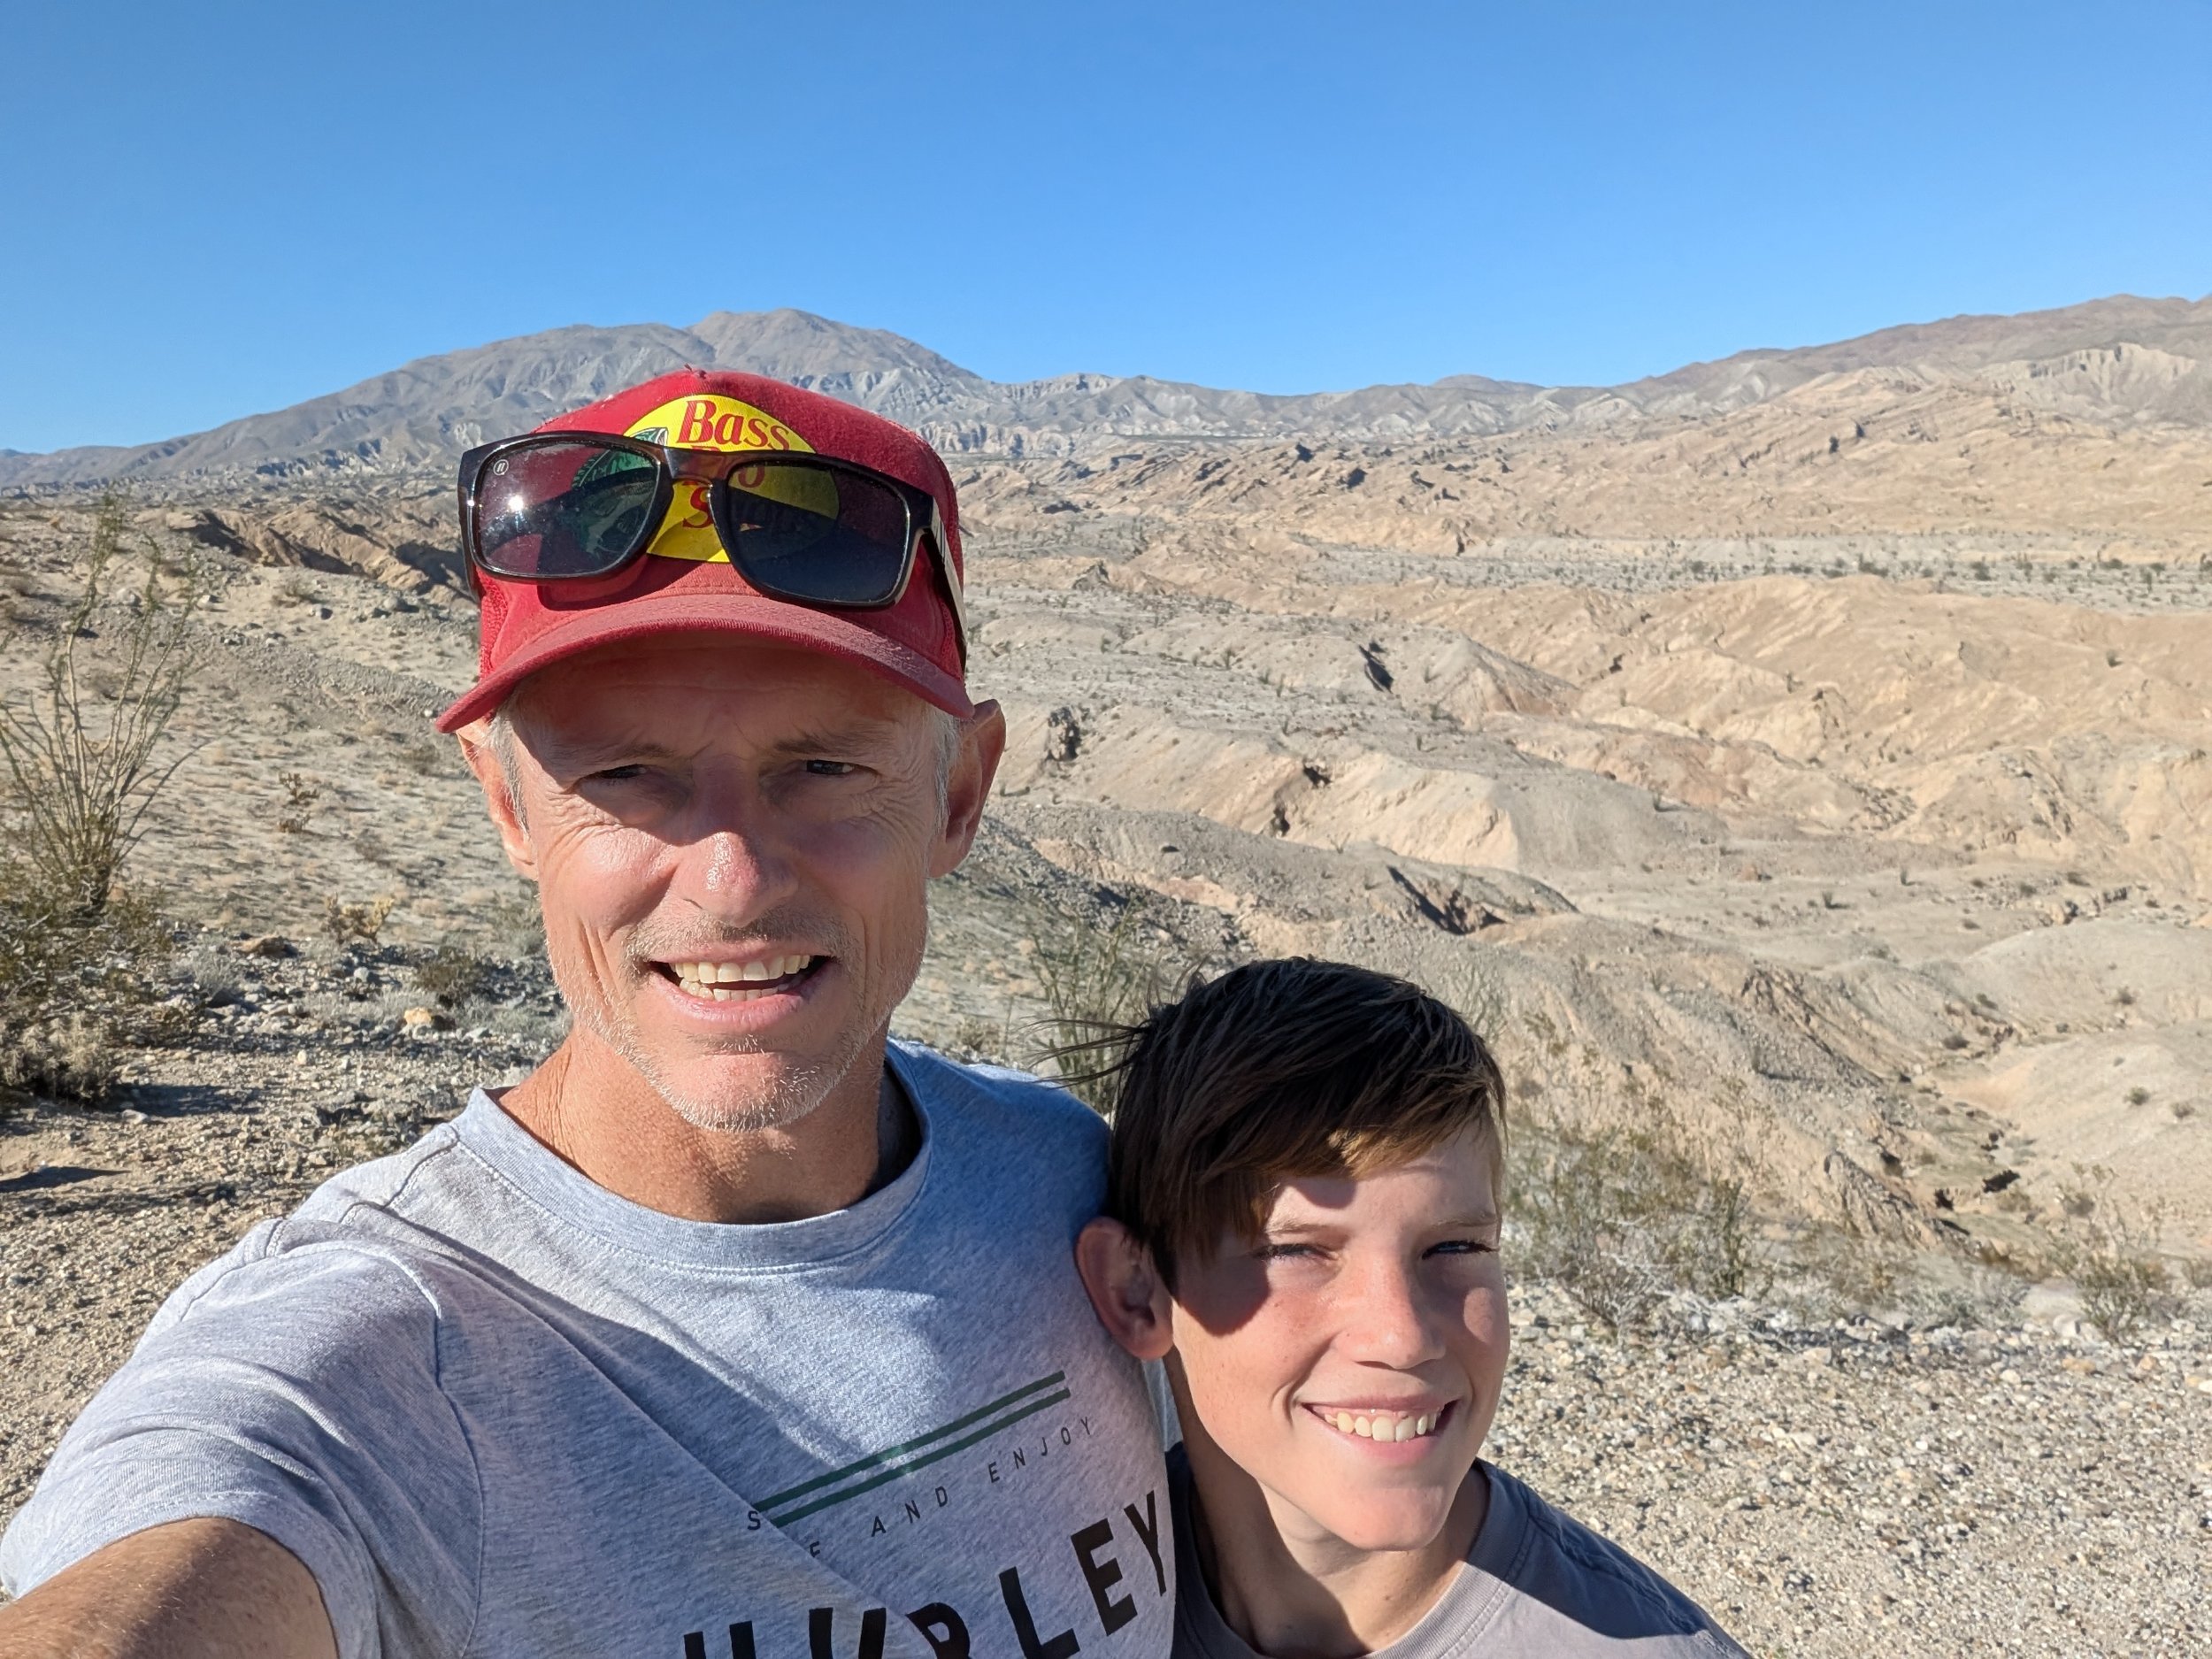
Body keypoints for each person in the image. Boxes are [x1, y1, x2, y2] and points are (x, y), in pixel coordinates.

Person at [0, 372, 1175, 1659]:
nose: (730, 879)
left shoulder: (1071, 1181)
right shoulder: (383, 1354)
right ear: (509, 806)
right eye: (625, 776)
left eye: (824, 765)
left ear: (960, 795)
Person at [1073, 958, 1747, 1657]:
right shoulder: (1069, 1599)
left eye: (1455, 1245)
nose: (1403, 1335)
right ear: (1138, 1292)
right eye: (1298, 1251)